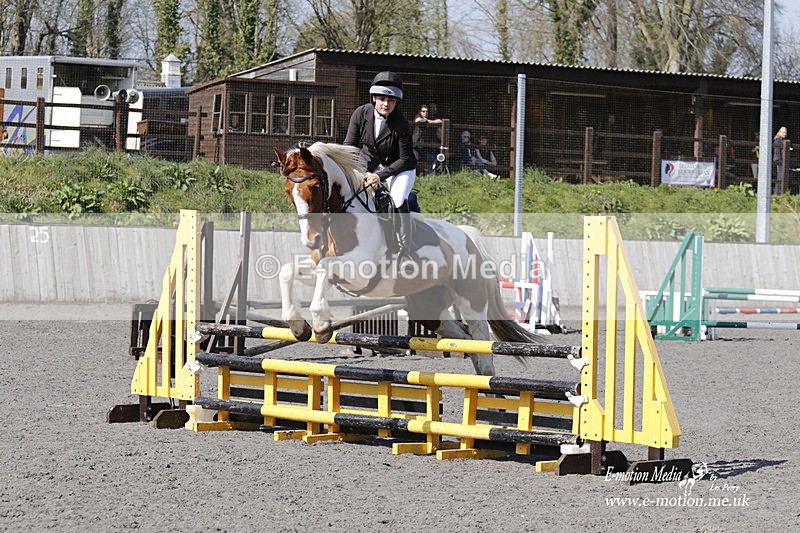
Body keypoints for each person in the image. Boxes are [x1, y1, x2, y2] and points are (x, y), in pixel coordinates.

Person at [344, 71, 417, 271]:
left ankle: (405, 250)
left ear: (397, 102)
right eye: (382, 99)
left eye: (391, 100)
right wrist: (354, 170)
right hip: (368, 164)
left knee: (397, 198)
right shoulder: (361, 113)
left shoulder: (401, 123)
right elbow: (349, 146)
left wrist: (380, 176)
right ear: (374, 97)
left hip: (399, 168)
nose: (386, 104)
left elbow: (405, 158)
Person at [412, 104, 443, 172]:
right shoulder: (418, 117)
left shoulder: (430, 119)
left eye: (427, 111)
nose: (425, 113)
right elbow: (417, 120)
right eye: (423, 111)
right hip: (416, 143)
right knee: (415, 160)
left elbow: (440, 121)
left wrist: (430, 121)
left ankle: (423, 174)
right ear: (420, 112)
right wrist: (425, 121)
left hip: (424, 144)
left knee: (423, 161)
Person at [772, 126, 789, 195]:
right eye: (783, 132)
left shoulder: (781, 140)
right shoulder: (778, 140)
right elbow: (777, 151)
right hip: (779, 161)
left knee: (780, 177)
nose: (785, 134)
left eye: (785, 132)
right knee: (780, 177)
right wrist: (779, 160)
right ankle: (777, 193)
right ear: (779, 132)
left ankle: (779, 193)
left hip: (780, 160)